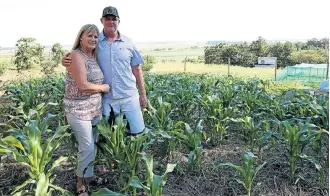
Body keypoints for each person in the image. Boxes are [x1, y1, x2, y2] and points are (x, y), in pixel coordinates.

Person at [62, 6, 147, 136]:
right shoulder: (94, 41)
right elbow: (80, 55)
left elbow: (136, 69)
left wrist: (143, 94)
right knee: (111, 138)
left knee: (138, 133)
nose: (111, 22)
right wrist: (66, 60)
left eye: (114, 19)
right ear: (102, 20)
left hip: (129, 96)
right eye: (107, 18)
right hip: (106, 99)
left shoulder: (128, 42)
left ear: (119, 21)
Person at [63, 24, 110, 196]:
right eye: (89, 35)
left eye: (96, 37)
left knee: (93, 145)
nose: (93, 39)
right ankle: (80, 184)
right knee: (87, 147)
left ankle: (89, 177)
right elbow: (82, 85)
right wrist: (103, 88)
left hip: (94, 110)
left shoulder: (93, 56)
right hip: (78, 109)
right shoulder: (76, 55)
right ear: (80, 37)